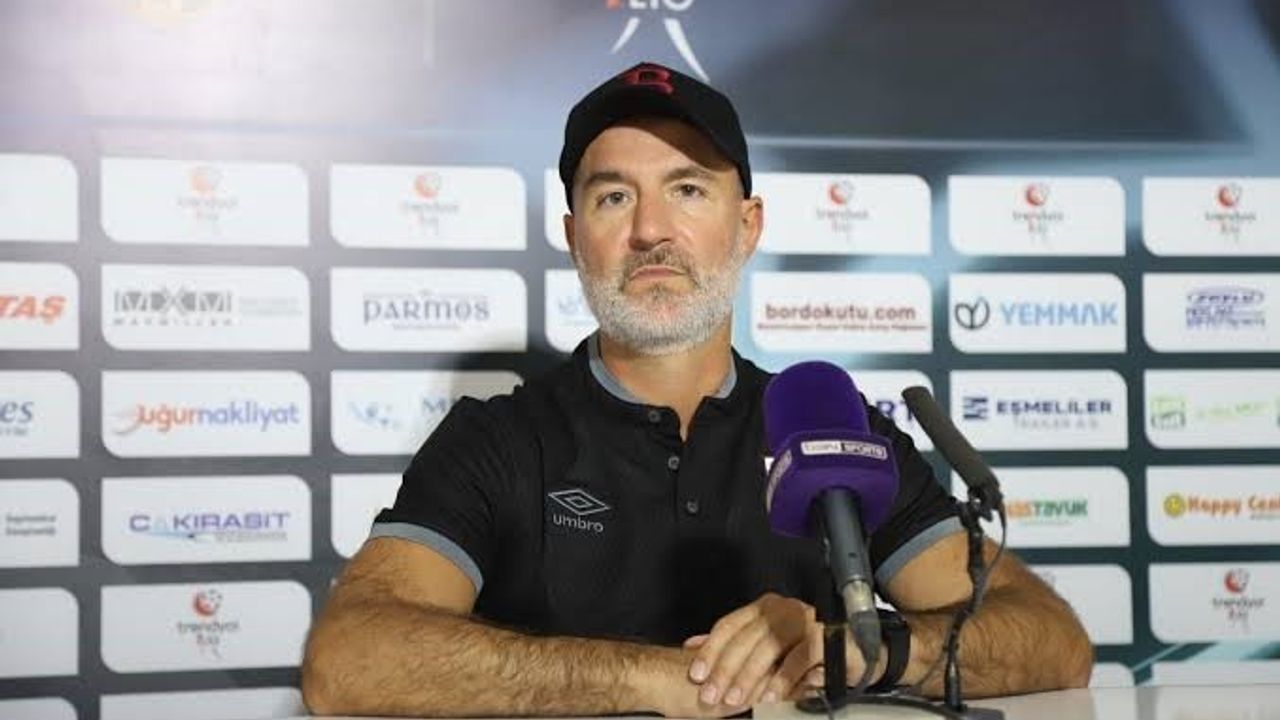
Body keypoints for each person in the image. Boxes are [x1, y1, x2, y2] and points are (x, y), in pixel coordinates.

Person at [301, 61, 1093, 718]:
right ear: (574, 238)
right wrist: (648, 679)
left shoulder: (834, 427)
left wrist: (861, 648)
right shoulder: (499, 438)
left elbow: (1052, 641)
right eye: (614, 196)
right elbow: (348, 659)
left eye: (686, 190)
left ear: (747, 226)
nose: (651, 231)